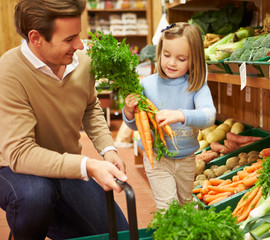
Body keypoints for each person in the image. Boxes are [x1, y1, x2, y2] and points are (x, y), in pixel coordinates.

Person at [0, 0, 129, 239]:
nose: (80, 45)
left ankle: (51, 218)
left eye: (78, 35)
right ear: (36, 38)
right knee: (36, 196)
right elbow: (20, 154)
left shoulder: (82, 59)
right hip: (13, 167)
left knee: (118, 233)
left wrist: (108, 149)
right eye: (69, 39)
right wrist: (88, 166)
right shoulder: (9, 71)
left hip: (65, 164)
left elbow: (90, 106)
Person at [123, 22, 216, 209]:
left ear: (194, 60)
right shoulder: (147, 85)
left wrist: (180, 115)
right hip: (157, 159)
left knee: (185, 206)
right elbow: (137, 126)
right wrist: (128, 112)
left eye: (181, 59)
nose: (172, 62)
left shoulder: (196, 86)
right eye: (166, 55)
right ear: (160, 53)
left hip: (187, 160)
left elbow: (209, 116)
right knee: (168, 208)